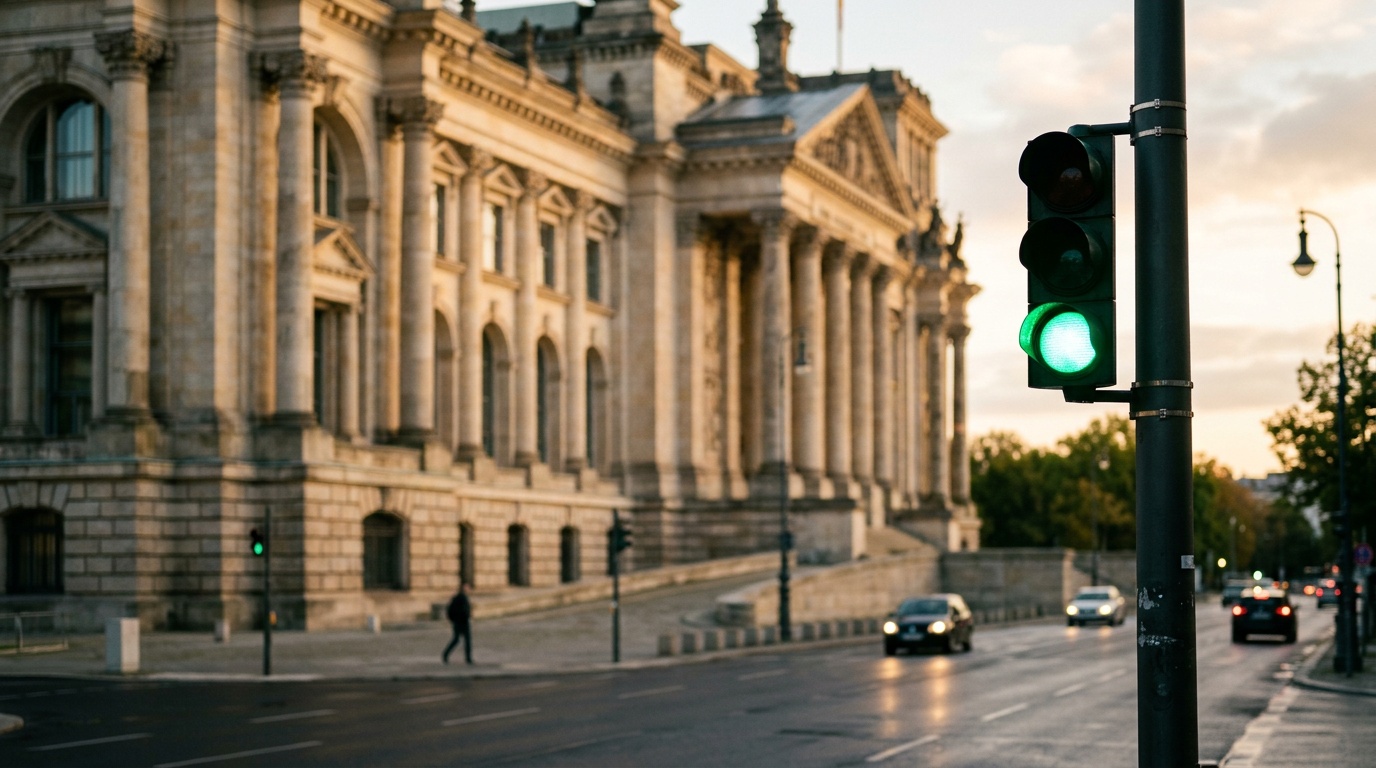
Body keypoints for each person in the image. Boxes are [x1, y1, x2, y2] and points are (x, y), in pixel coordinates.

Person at [442, 583, 473, 665]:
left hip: (458, 622)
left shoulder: (458, 598)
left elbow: (450, 611)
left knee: (457, 640)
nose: (468, 589)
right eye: (467, 587)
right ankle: (468, 658)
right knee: (464, 641)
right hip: (462, 623)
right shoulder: (461, 598)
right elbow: (461, 611)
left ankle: (446, 654)